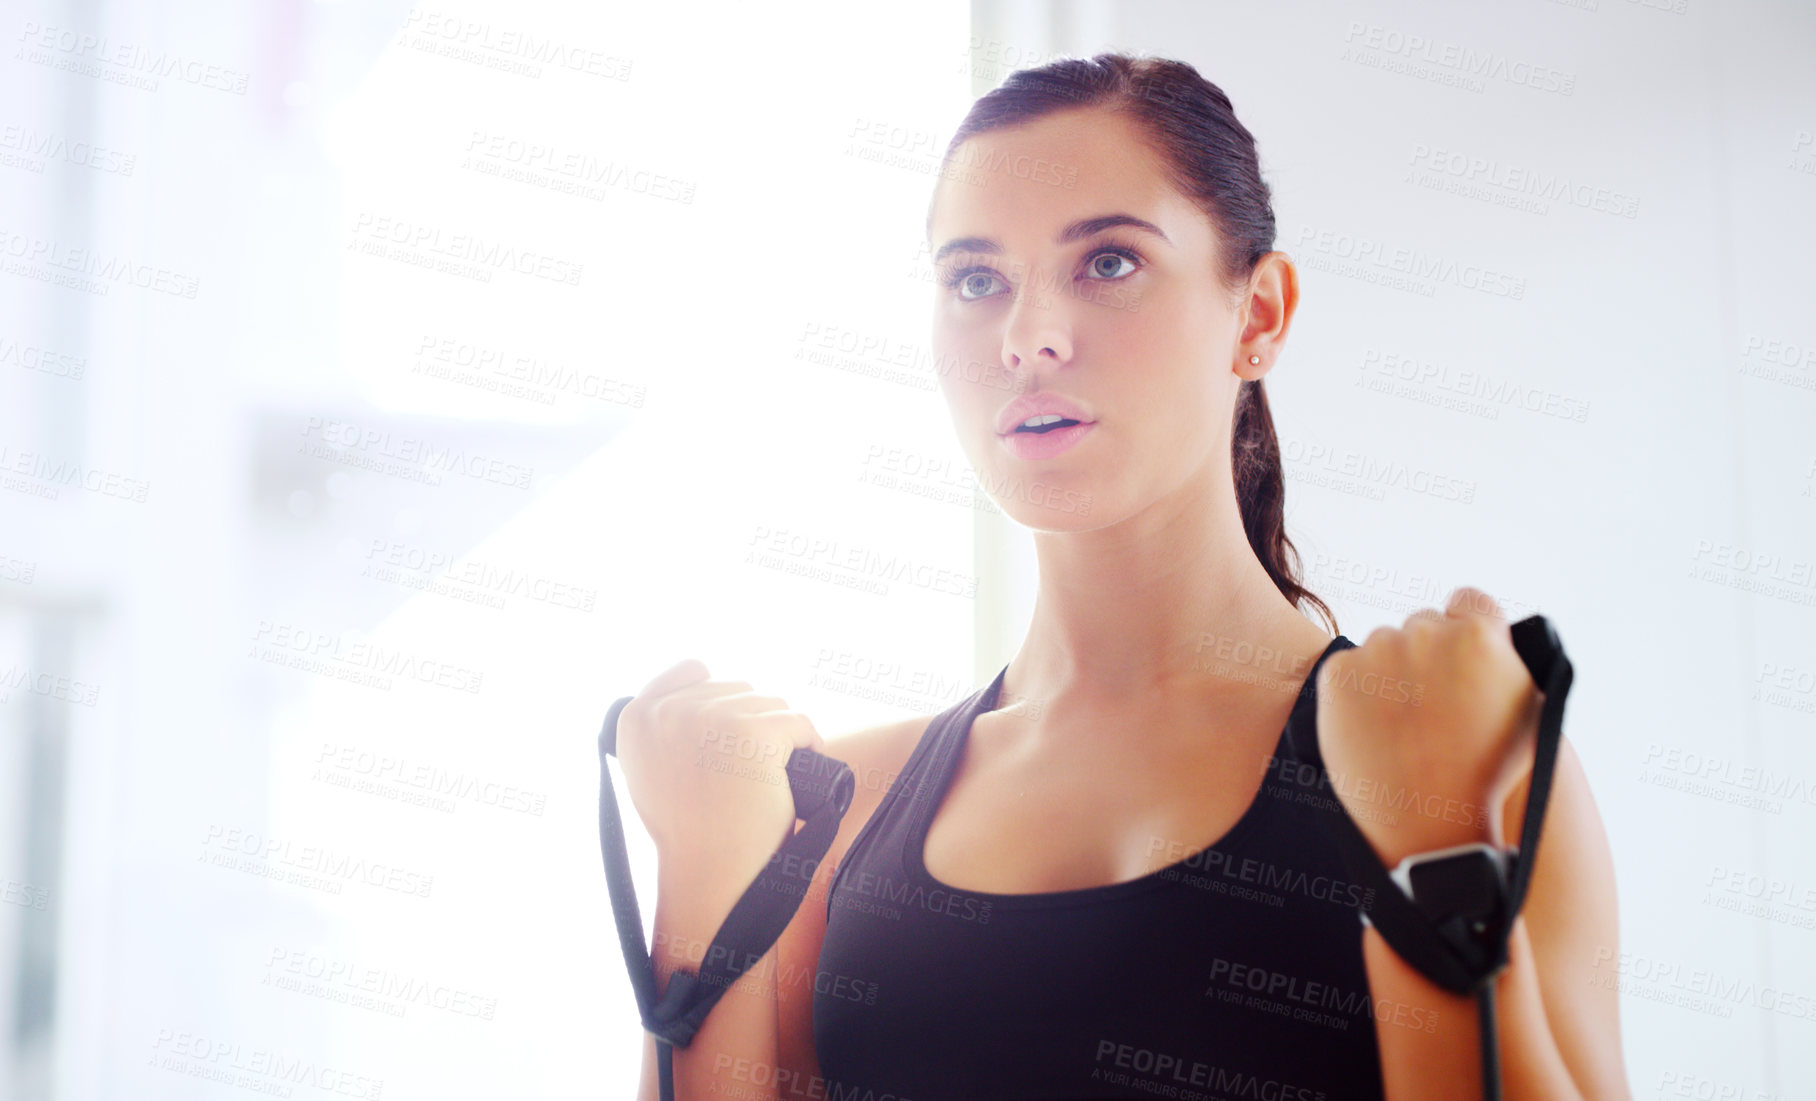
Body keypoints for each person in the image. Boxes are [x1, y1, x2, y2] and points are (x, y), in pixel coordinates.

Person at [617, 52, 1629, 1100]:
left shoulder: (1462, 749)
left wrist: (1435, 850)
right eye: (975, 280)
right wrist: (699, 873)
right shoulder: (841, 805)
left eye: (1108, 263)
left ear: (1260, 315)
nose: (1026, 339)